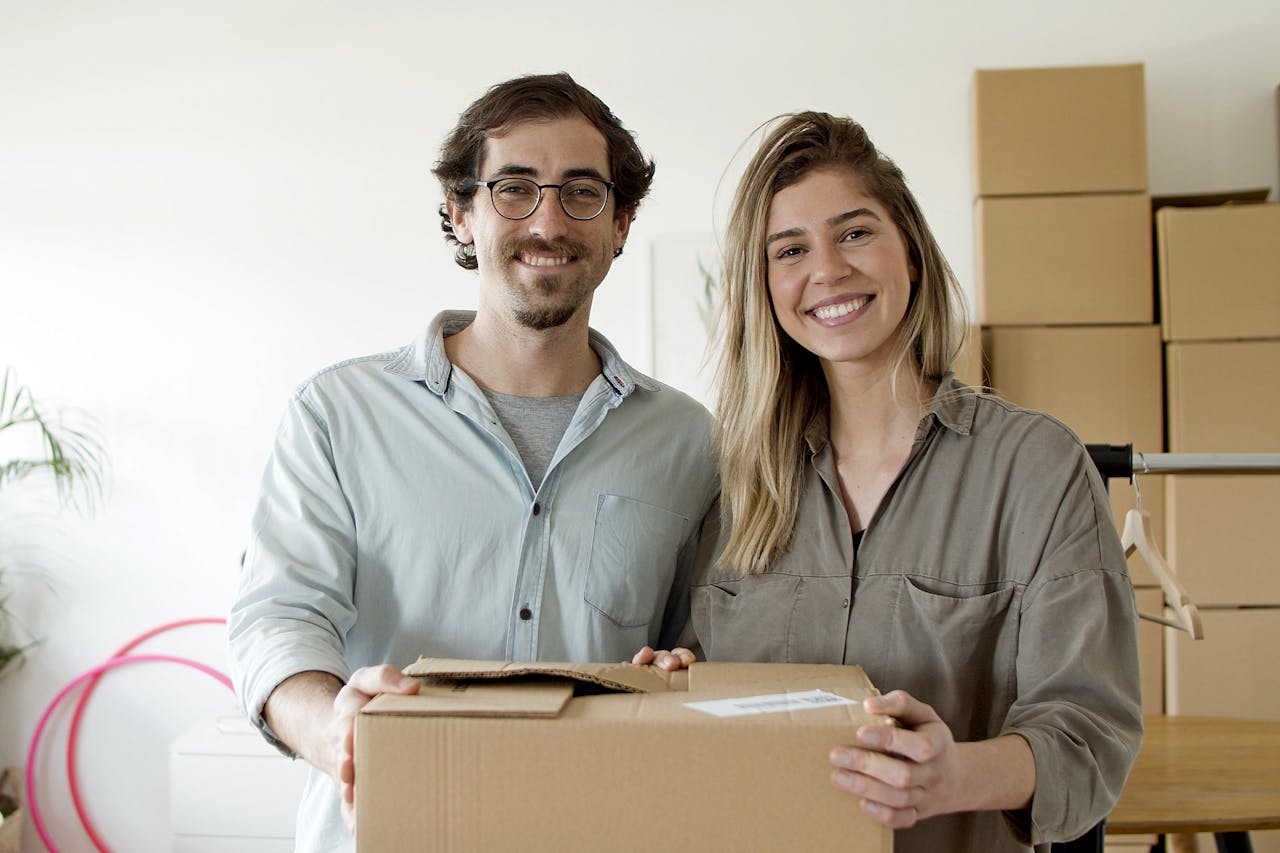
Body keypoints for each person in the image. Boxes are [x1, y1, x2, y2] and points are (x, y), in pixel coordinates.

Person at [228, 72, 717, 852]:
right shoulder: (338, 414)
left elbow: (700, 648)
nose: (549, 221)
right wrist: (334, 735)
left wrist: (688, 665)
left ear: (621, 222)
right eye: (514, 188)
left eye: (582, 192)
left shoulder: (689, 442)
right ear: (461, 214)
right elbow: (278, 622)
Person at [640, 112, 1142, 852]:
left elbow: (1090, 735)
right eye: (790, 249)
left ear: (909, 251)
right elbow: (708, 698)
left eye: (854, 233)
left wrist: (956, 775)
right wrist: (677, 683)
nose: (828, 270)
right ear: (765, 286)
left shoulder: (1037, 468)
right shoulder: (737, 488)